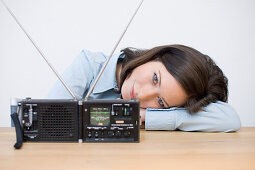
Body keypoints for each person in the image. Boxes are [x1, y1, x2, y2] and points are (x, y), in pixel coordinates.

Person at [48, 44, 241, 132]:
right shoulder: (88, 66)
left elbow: (229, 119)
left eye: (160, 101)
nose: (142, 95)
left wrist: (146, 116)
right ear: (155, 56)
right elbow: (48, 121)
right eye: (155, 78)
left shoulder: (163, 106)